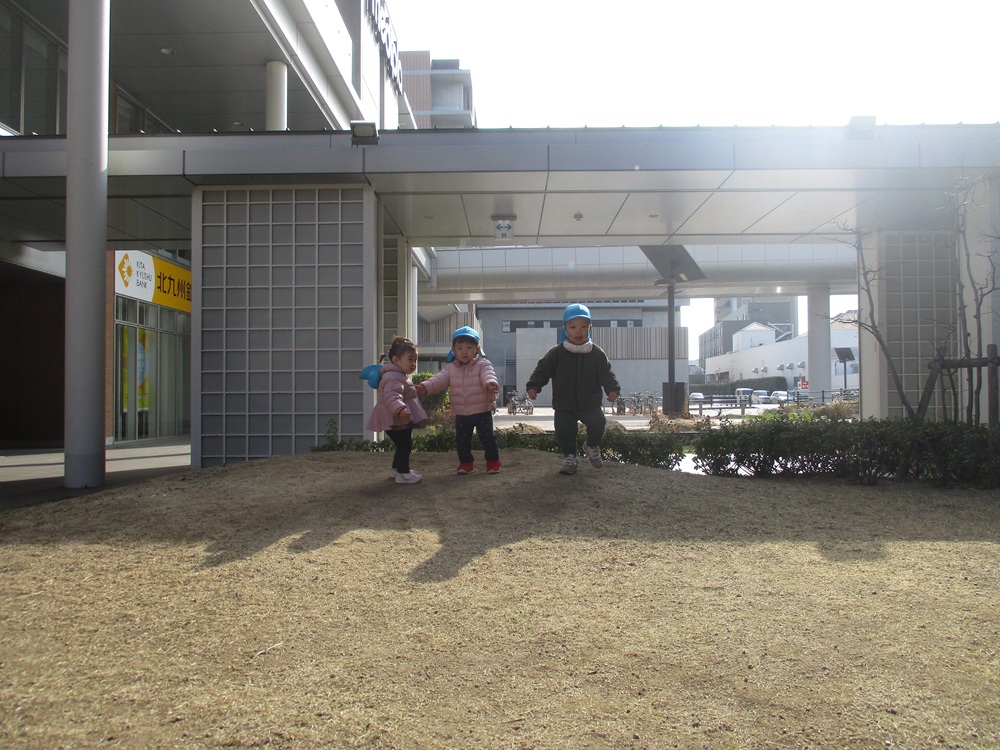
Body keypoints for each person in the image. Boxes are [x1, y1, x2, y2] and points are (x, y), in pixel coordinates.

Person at [526, 303, 620, 475]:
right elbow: (542, 370)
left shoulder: (597, 354)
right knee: (565, 432)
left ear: (590, 328)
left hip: (590, 403)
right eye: (573, 327)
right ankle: (570, 457)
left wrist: (612, 388)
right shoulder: (556, 353)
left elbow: (606, 374)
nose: (579, 331)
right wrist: (534, 386)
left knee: (598, 423)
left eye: (584, 326)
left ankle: (591, 445)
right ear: (565, 328)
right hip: (564, 404)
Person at [416, 326, 502, 474]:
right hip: (461, 413)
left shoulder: (483, 364)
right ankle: (466, 463)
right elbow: (438, 380)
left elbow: (488, 375)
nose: (464, 351)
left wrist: (490, 384)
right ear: (454, 350)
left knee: (488, 437)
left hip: (482, 410)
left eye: (469, 347)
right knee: (462, 440)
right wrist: (425, 387)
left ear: (477, 349)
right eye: (460, 348)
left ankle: (493, 462)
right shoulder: (451, 368)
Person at [366, 336, 428, 484]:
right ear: (396, 360)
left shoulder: (398, 376)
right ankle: (403, 473)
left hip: (396, 418)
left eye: (415, 360)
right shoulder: (394, 377)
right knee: (404, 445)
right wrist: (401, 410)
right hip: (396, 418)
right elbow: (392, 396)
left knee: (402, 444)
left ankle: (396, 469)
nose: (413, 364)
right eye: (410, 359)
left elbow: (401, 393)